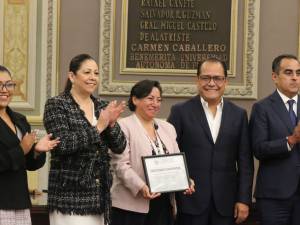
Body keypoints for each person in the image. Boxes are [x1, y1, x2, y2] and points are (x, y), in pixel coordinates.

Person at [168, 58, 254, 225]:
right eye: (206, 78)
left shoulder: (239, 114)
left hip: (226, 202)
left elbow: (245, 162)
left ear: (225, 81)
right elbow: (170, 153)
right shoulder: (180, 111)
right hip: (190, 200)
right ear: (197, 80)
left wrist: (244, 199)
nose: (211, 83)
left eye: (217, 78)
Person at [43, 54, 127, 225]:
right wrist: (98, 128)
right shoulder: (57, 104)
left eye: (96, 73)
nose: (92, 77)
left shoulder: (102, 106)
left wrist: (111, 125)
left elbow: (120, 146)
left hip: (99, 197)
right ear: (72, 76)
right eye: (87, 72)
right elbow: (63, 144)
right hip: (69, 197)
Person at [110, 79, 195, 225]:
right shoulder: (123, 126)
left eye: (158, 100)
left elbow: (177, 162)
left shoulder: (168, 128)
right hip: (131, 206)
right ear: (135, 99)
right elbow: (120, 165)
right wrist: (141, 186)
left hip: (163, 204)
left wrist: (186, 180)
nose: (155, 104)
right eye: (150, 98)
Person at [0, 65, 60, 225]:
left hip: (20, 202)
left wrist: (37, 151)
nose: (4, 89)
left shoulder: (19, 119)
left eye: (8, 84)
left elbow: (29, 164)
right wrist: (21, 149)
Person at [249, 54, 300, 225]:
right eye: (288, 72)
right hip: (274, 197)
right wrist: (291, 140)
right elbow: (259, 149)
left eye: (298, 73)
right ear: (275, 77)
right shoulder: (262, 108)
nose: (295, 77)